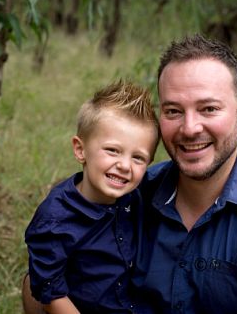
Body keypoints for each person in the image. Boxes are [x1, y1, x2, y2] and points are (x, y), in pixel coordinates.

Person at [24, 35, 237, 313]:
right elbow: (46, 283)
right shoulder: (132, 197)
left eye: (208, 109)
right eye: (173, 111)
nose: (190, 128)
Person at [24, 81, 158, 314]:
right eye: (112, 150)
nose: (125, 165)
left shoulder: (135, 199)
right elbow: (50, 291)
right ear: (80, 150)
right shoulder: (56, 220)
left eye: (138, 158)